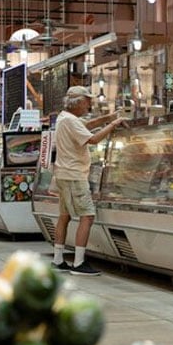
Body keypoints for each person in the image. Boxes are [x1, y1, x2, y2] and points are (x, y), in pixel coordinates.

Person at [52, 86, 125, 276]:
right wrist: (112, 126)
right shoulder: (70, 120)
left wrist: (107, 119)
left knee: (64, 216)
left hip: (63, 173)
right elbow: (92, 140)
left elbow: (86, 126)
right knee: (88, 216)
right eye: (87, 101)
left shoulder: (64, 118)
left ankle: (58, 260)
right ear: (78, 103)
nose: (89, 104)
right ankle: (79, 263)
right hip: (75, 175)